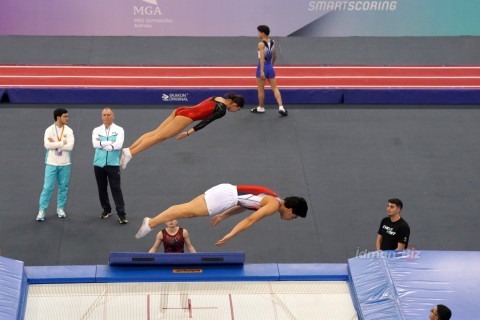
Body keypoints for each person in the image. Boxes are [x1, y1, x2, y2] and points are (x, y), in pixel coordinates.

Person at [135, 184, 308, 246]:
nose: (291, 220)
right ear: (291, 210)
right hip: (225, 196)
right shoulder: (273, 205)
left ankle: (151, 222)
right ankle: (151, 223)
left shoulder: (273, 199)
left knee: (187, 212)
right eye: (294, 217)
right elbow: (250, 220)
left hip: (227, 195)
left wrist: (223, 216)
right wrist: (231, 235)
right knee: (185, 210)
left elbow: (243, 205)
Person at [120, 93, 244, 169]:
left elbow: (201, 107)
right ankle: (131, 154)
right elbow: (205, 122)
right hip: (186, 118)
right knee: (158, 138)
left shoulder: (217, 98)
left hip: (181, 110)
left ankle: (129, 149)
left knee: (155, 132)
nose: (235, 111)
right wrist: (188, 132)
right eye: (237, 109)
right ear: (234, 105)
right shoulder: (222, 110)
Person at [36, 108, 75, 221]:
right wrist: (62, 142)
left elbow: (70, 147)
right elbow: (47, 145)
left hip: (65, 163)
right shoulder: (49, 130)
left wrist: (55, 143)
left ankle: (60, 208)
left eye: (67, 116)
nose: (67, 118)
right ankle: (42, 210)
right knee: (47, 187)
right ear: (58, 117)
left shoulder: (69, 131)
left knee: (63, 187)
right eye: (65, 116)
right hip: (51, 163)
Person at [92, 108, 128, 224]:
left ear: (113, 116)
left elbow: (118, 145)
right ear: (101, 117)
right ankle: (106, 209)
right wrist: (110, 143)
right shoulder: (96, 130)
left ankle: (121, 214)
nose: (106, 117)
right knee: (101, 188)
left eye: (109, 115)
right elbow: (95, 144)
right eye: (104, 115)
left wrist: (102, 144)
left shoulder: (119, 129)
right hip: (98, 164)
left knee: (116, 188)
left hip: (113, 164)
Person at [250, 25, 287, 116]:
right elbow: (275, 56)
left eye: (259, 32)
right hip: (270, 67)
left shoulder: (261, 44)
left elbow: (262, 58)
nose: (258, 34)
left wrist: (262, 71)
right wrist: (271, 65)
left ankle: (261, 108)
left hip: (262, 68)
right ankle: (281, 107)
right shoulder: (273, 42)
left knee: (261, 90)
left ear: (263, 33)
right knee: (275, 88)